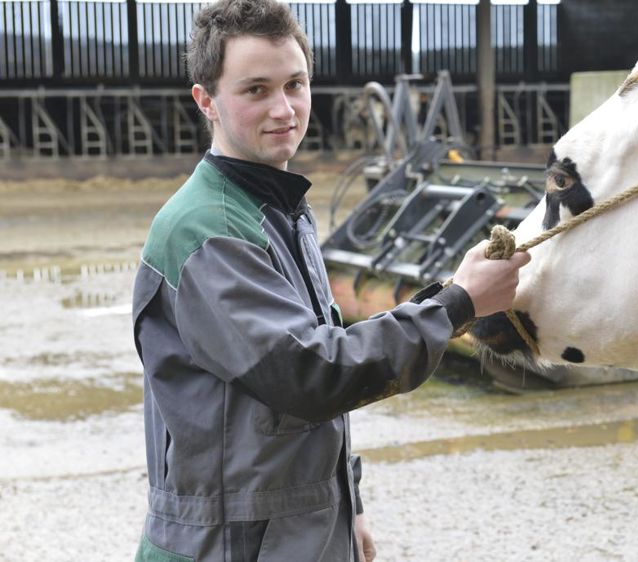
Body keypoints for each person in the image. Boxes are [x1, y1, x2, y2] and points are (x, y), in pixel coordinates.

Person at [130, 0, 529, 560]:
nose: (284, 109)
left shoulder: (280, 210)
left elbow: (307, 385)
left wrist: (347, 503)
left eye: (295, 84)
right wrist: (457, 305)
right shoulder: (207, 231)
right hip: (229, 544)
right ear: (206, 101)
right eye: (255, 90)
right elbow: (310, 373)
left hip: (290, 531)